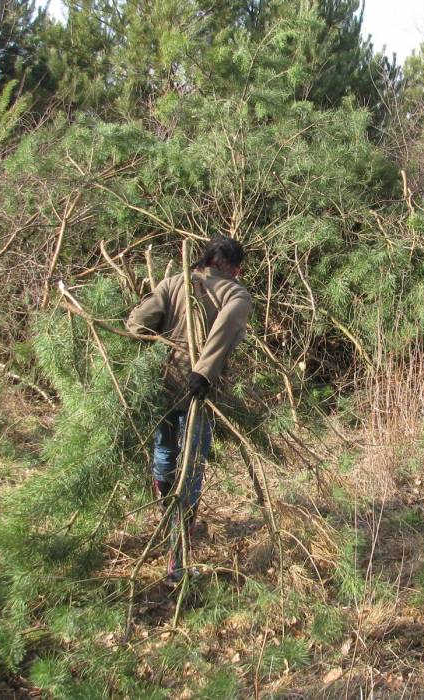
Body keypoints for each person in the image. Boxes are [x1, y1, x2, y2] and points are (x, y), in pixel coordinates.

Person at [125, 235, 251, 583]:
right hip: (200, 392)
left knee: (164, 453)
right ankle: (176, 556)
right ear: (235, 268)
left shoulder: (173, 281)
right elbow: (224, 334)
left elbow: (136, 325)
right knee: (190, 470)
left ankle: (168, 521)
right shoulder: (236, 295)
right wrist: (203, 373)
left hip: (163, 384)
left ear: (205, 259)